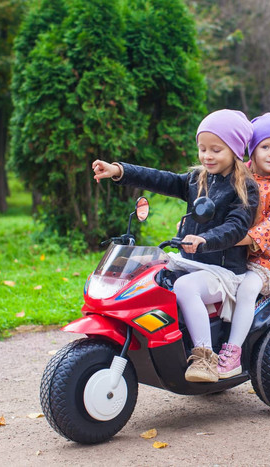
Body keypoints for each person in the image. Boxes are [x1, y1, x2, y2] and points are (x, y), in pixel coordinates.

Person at [92, 109, 259, 383]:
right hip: (190, 261)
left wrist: (205, 240)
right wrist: (119, 170)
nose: (207, 156)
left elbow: (236, 227)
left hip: (223, 271)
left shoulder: (243, 188)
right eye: (202, 148)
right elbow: (160, 178)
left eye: (216, 149)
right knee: (146, 272)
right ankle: (155, 341)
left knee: (184, 286)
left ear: (235, 150)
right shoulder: (197, 179)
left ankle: (205, 356)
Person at [217, 113, 270, 379]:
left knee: (247, 288)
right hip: (233, 252)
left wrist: (237, 238)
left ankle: (233, 351)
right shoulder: (240, 177)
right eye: (265, 146)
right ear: (253, 149)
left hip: (265, 258)